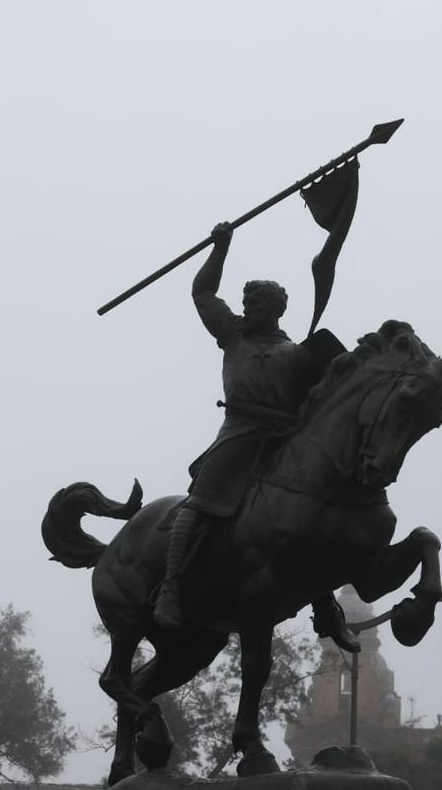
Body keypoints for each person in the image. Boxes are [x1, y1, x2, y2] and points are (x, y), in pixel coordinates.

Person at [152, 222, 359, 653]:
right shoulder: (232, 335)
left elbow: (330, 391)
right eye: (245, 301)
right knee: (199, 503)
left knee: (308, 516)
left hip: (281, 439)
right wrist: (220, 249)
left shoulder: (298, 354)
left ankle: (326, 609)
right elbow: (203, 293)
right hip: (239, 433)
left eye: (255, 302)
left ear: (275, 309)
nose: (247, 307)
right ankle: (170, 587)